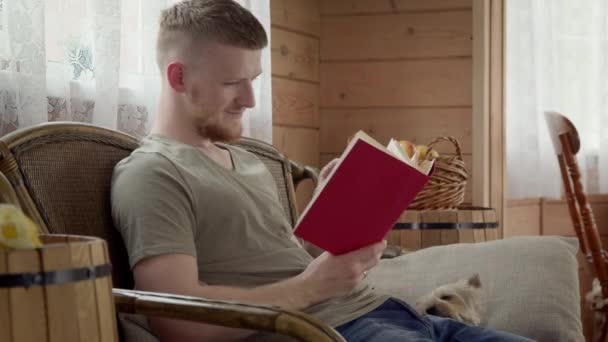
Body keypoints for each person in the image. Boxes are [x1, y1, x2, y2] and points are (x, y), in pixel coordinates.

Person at [111, 1, 532, 341]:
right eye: (231, 83)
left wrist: (335, 214)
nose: (251, 100)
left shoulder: (252, 161)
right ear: (178, 76)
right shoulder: (153, 174)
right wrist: (314, 286)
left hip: (389, 313)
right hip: (330, 331)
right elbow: (176, 317)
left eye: (254, 79)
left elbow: (278, 263)